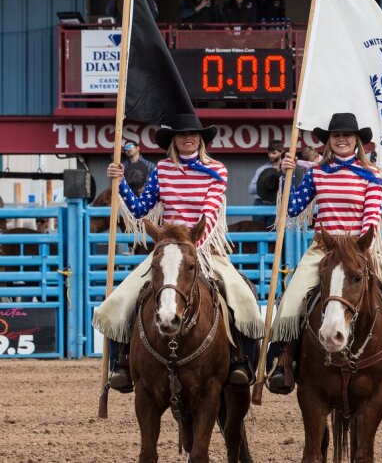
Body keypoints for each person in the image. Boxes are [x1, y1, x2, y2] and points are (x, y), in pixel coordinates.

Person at [265, 113, 382, 396]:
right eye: (335, 135)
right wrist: (286, 176)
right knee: (291, 300)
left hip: (361, 248)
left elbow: (371, 215)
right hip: (323, 250)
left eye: (347, 135)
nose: (341, 139)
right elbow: (293, 208)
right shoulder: (318, 173)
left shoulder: (372, 174)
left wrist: (359, 246)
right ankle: (281, 361)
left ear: (357, 141)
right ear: (329, 141)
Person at [94, 113, 263, 393]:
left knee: (243, 297)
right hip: (166, 248)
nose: (188, 138)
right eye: (182, 134)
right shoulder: (162, 170)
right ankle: (121, 363)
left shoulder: (217, 170)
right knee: (120, 300)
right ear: (174, 140)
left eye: (194, 134)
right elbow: (139, 209)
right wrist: (120, 182)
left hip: (204, 247)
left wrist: (191, 247)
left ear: (201, 139)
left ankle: (240, 362)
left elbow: (209, 214)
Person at [248, 141, 285, 227]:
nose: (271, 155)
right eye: (269, 153)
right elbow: (250, 189)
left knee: (273, 235)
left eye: (274, 153)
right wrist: (264, 185)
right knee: (257, 233)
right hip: (260, 203)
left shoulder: (285, 169)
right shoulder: (262, 169)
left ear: (281, 152)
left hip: (277, 204)